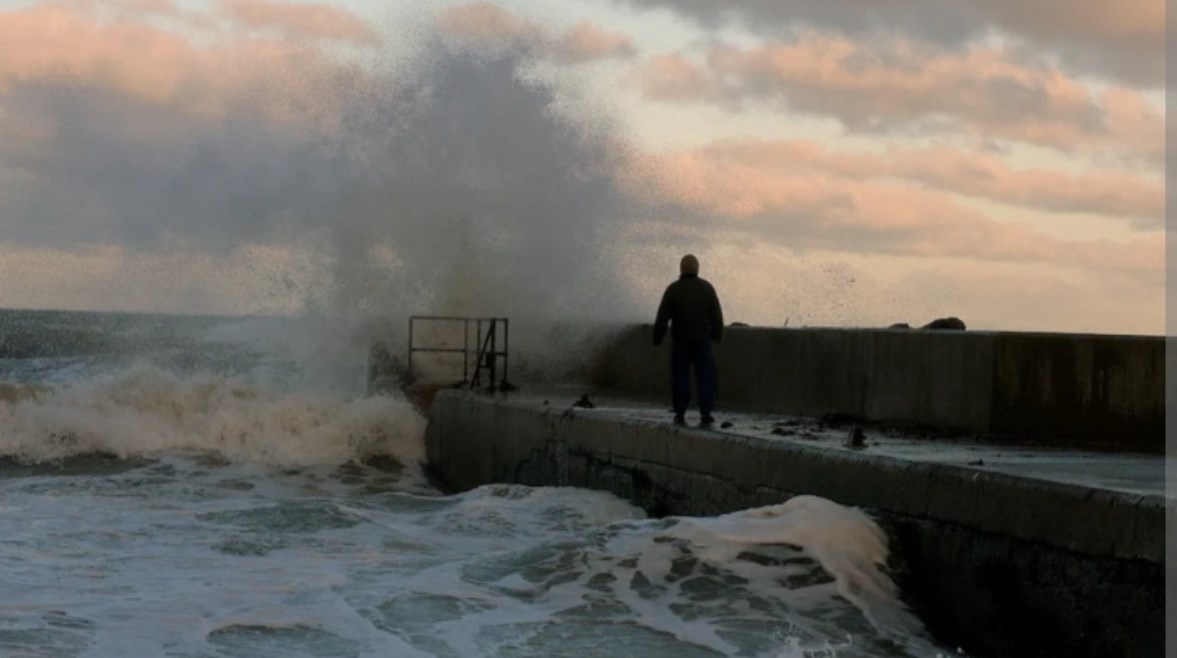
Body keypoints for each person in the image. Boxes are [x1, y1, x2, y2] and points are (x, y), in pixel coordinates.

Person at [652, 254, 724, 426]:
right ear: (697, 268)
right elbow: (716, 316)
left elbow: (662, 318)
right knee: (705, 377)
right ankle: (706, 413)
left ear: (681, 269)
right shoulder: (707, 288)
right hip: (702, 342)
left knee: (680, 377)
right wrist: (717, 334)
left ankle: (680, 413)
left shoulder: (673, 290)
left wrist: (657, 338)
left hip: (681, 342)